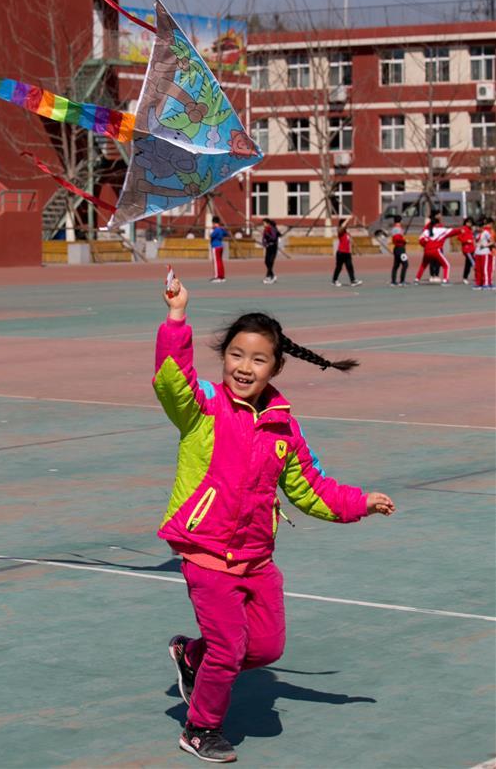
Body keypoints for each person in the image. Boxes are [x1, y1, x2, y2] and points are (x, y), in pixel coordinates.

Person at [155, 276, 395, 763]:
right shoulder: (203, 407)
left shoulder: (283, 425)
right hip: (206, 552)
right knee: (229, 648)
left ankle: (191, 656)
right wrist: (177, 317)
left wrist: (359, 503)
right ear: (224, 357)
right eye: (236, 355)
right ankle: (200, 729)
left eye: (258, 359)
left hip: (256, 557)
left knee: (264, 648)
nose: (244, 367)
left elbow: (310, 487)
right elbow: (171, 379)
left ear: (276, 366)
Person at [414, 212, 459, 285]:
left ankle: (416, 279)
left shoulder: (427, 230)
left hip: (427, 250)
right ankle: (445, 280)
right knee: (446, 265)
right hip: (436, 250)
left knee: (423, 265)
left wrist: (426, 245)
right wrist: (461, 230)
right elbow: (452, 231)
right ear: (437, 223)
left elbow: (421, 240)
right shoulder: (440, 229)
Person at [332, 216, 362, 287]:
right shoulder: (340, 231)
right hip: (340, 253)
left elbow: (351, 241)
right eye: (345, 224)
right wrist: (347, 219)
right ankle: (334, 280)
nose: (347, 225)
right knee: (339, 267)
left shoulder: (347, 233)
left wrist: (357, 250)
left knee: (350, 267)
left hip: (347, 253)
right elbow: (342, 227)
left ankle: (353, 281)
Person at [473, 217, 496, 290]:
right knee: (478, 269)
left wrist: (485, 245)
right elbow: (475, 242)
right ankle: (479, 283)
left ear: (482, 226)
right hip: (477, 253)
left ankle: (486, 283)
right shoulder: (476, 233)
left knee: (485, 269)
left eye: (479, 226)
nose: (478, 228)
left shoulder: (486, 233)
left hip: (485, 253)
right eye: (477, 226)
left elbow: (492, 242)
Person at [388, 214, 409, 286]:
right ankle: (402, 281)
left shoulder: (393, 229)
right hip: (400, 248)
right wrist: (404, 241)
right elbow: (397, 238)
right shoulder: (398, 229)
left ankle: (393, 281)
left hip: (396, 248)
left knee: (396, 265)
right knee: (405, 264)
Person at [209, 216, 229, 283]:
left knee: (216, 262)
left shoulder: (216, 229)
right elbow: (226, 233)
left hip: (215, 246)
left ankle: (217, 276)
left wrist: (213, 229)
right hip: (220, 246)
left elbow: (211, 235)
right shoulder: (221, 229)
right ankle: (222, 276)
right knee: (220, 262)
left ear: (214, 222)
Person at [457, 217, 476, 285]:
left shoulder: (471, 230)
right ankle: (478, 276)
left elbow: (473, 238)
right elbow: (459, 237)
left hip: (472, 249)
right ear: (465, 222)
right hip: (466, 249)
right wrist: (466, 241)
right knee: (473, 263)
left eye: (470, 222)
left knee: (468, 264)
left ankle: (465, 277)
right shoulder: (463, 229)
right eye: (468, 222)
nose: (469, 224)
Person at [261, 218, 281, 284]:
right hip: (268, 247)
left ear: (268, 223)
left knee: (271, 261)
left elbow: (274, 237)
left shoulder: (272, 229)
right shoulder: (265, 229)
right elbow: (263, 238)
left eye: (264, 223)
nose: (263, 224)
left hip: (273, 247)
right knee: (266, 261)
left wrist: (267, 234)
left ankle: (268, 276)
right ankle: (273, 275)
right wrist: (264, 243)